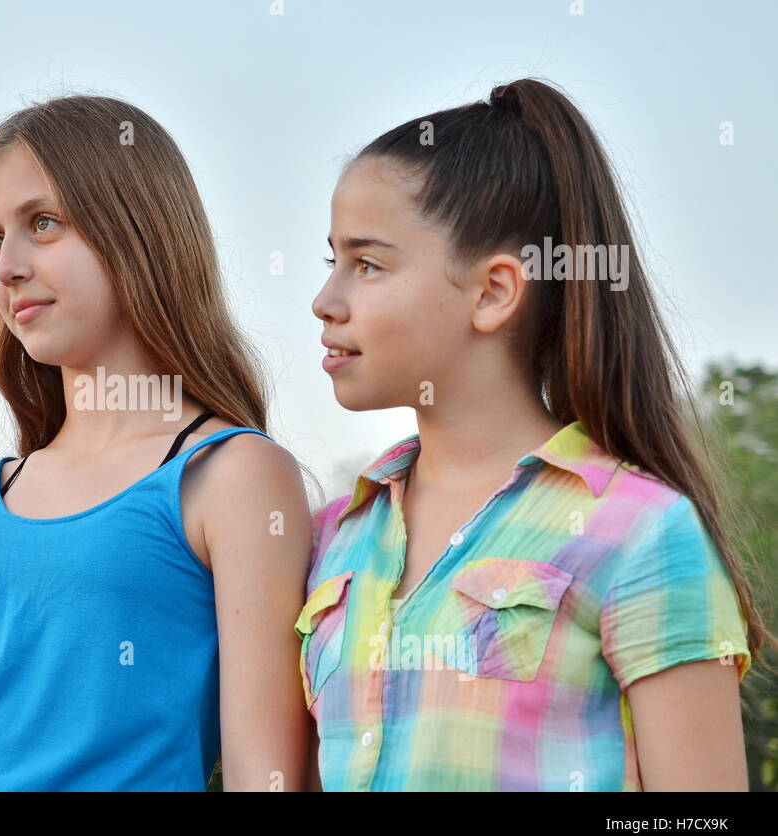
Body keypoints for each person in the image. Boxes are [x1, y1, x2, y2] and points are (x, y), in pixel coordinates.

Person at [302, 78, 773, 791]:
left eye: (367, 264)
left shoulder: (640, 532)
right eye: (331, 260)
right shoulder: (332, 537)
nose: (325, 301)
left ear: (493, 292)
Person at [0, 95, 313, 791]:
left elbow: (264, 776)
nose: (9, 266)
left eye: (44, 223)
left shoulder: (232, 474)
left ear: (138, 230)